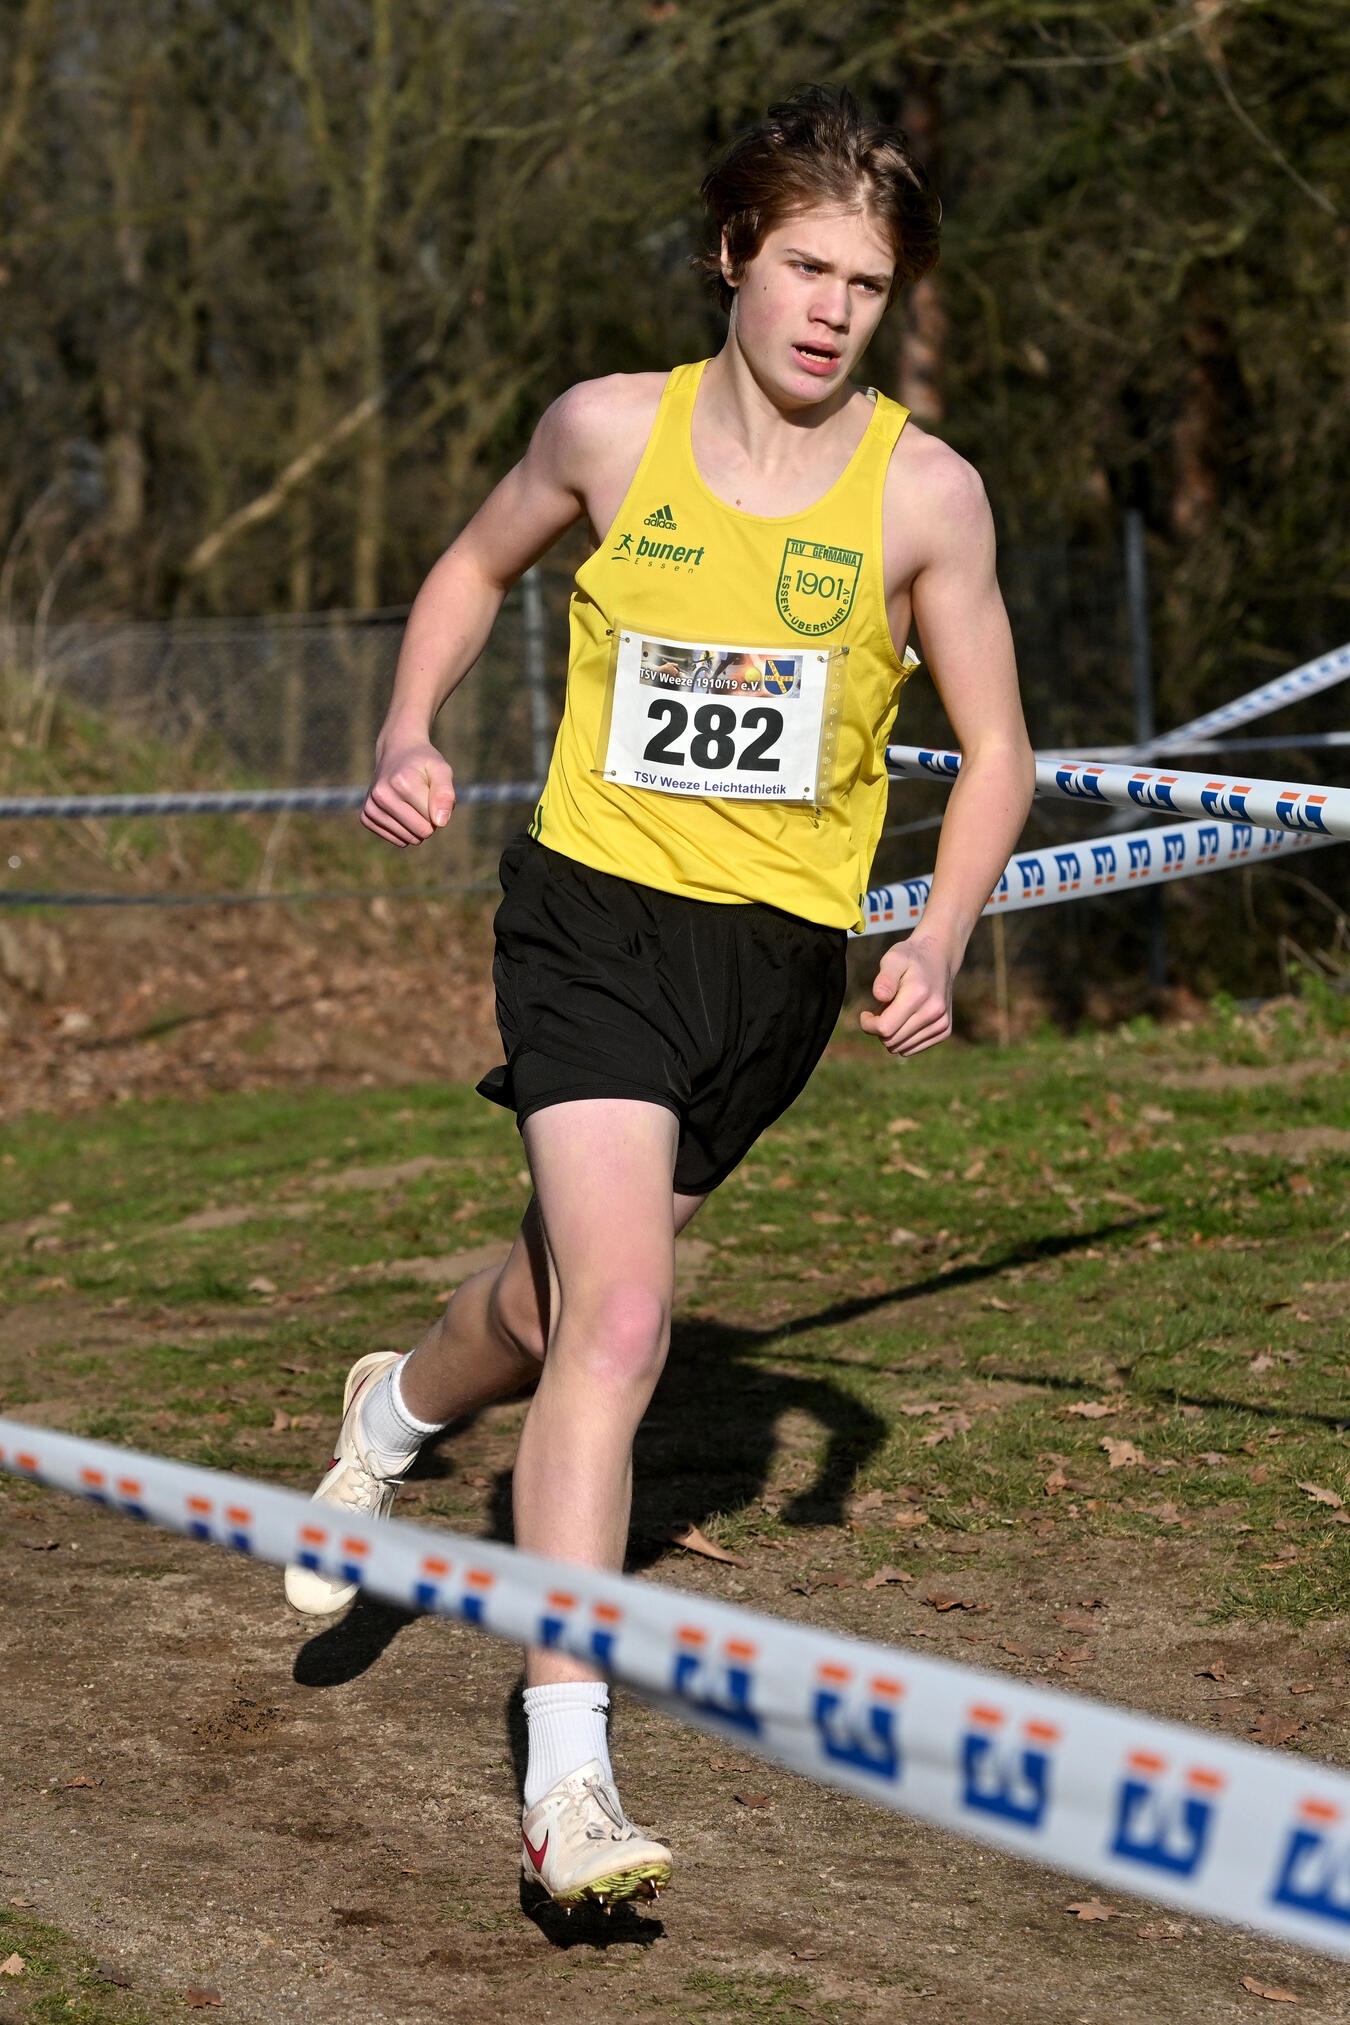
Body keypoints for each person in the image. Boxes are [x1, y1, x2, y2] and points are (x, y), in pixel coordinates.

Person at [284, 84, 1034, 1910]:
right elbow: (469, 565)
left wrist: (933, 932)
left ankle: (392, 1410)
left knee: (555, 1309)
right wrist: (409, 726)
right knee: (625, 1323)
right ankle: (570, 1779)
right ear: (731, 254)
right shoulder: (608, 433)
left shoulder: (924, 494)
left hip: (771, 970)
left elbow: (1000, 749)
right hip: (593, 918)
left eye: (864, 280)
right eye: (801, 264)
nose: (829, 307)